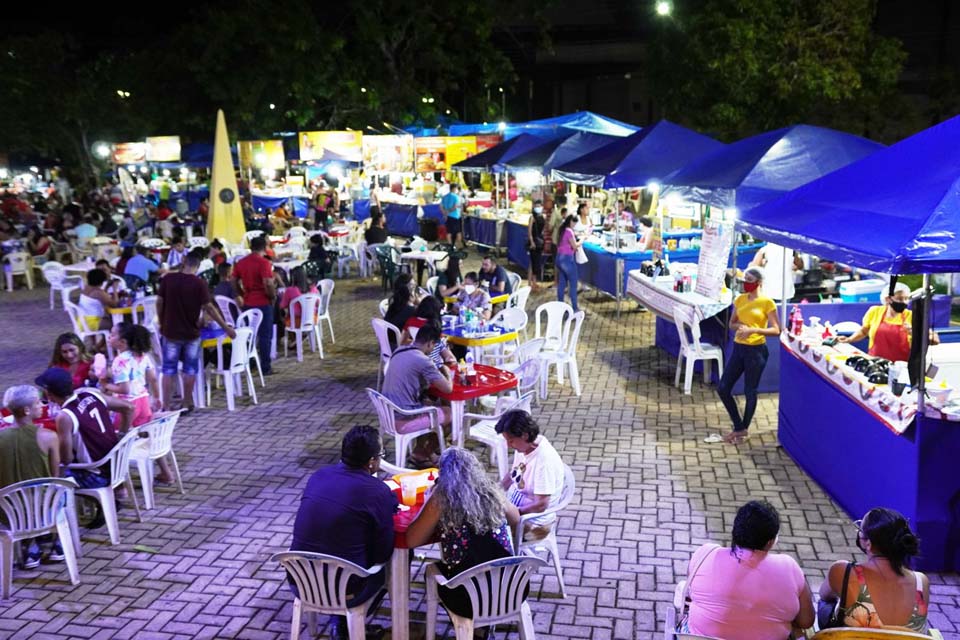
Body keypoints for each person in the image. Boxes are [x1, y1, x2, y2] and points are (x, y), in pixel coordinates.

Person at [290, 425, 396, 640]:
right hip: (346, 587)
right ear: (372, 461)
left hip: (301, 579)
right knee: (390, 564)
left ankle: (339, 624)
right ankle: (347, 623)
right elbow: (383, 553)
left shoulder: (319, 476)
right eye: (381, 455)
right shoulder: (377, 491)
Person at [406, 448, 521, 617]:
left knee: (431, 571)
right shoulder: (492, 492)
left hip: (466, 599)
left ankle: (470, 624)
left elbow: (411, 540)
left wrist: (430, 498)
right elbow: (516, 519)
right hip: (511, 590)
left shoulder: (442, 498)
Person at [683, 500, 814, 640]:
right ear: (770, 542)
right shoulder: (789, 568)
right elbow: (806, 621)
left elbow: (690, 592)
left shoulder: (705, 555)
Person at [818, 507, 929, 633]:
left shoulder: (843, 571)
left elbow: (824, 595)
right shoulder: (921, 582)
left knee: (826, 603)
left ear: (868, 543)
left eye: (860, 530)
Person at [157, 253, 236, 413]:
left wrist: (161, 321)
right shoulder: (199, 283)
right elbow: (209, 308)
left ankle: (166, 406)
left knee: (168, 369)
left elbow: (159, 302)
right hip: (191, 333)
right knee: (190, 370)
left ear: (183, 262)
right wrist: (226, 327)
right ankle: (186, 403)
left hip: (170, 331)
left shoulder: (168, 279)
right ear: (198, 266)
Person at [714, 266, 780, 444]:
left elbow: (776, 330)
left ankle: (743, 430)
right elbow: (732, 323)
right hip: (739, 348)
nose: (745, 284)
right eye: (744, 281)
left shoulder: (767, 303)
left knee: (750, 390)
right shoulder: (740, 299)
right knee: (723, 388)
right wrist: (741, 327)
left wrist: (753, 330)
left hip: (756, 351)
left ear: (759, 283)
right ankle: (739, 427)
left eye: (749, 281)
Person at [37, 368, 132, 491]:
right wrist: (121, 436)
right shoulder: (91, 394)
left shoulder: (65, 416)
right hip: (118, 466)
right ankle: (116, 493)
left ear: (49, 394)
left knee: (48, 473)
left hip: (97, 476)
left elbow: (67, 459)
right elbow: (129, 408)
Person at [0, 385, 62, 568]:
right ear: (27, 410)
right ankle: (56, 541)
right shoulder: (48, 437)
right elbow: (54, 476)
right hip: (44, 511)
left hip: (9, 513)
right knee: (63, 489)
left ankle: (30, 546)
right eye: (37, 403)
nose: (42, 405)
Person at [382, 324, 453, 466]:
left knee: (429, 404)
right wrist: (447, 372)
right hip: (403, 418)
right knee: (451, 415)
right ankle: (423, 453)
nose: (433, 350)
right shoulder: (423, 360)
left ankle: (421, 452)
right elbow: (447, 389)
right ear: (430, 343)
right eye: (434, 346)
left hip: (387, 412)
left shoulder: (400, 350)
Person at [495, 410, 564, 540]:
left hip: (535, 524)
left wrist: (514, 514)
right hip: (514, 509)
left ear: (525, 436)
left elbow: (541, 504)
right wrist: (495, 490)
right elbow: (514, 474)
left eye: (511, 441)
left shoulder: (544, 461)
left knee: (488, 534)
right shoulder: (523, 447)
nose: (508, 445)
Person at [839, 282, 939, 361]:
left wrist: (915, 333)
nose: (904, 302)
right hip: (875, 362)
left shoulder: (912, 316)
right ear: (888, 299)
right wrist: (849, 339)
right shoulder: (875, 311)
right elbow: (864, 331)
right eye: (900, 299)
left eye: (906, 299)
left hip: (901, 367)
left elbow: (934, 340)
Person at [100, 322, 160, 428]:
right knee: (141, 432)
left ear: (122, 342)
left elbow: (124, 390)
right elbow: (153, 379)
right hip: (144, 402)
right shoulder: (143, 355)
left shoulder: (120, 361)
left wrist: (105, 385)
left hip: (127, 405)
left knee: (118, 433)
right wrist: (156, 397)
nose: (109, 337)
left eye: (112, 335)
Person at [233, 236, 277, 376]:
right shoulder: (264, 263)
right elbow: (268, 283)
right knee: (265, 336)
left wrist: (241, 293)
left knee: (249, 334)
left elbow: (233, 281)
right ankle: (265, 367)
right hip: (263, 302)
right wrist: (272, 296)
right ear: (264, 248)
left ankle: (250, 363)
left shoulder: (241, 262)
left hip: (248, 302)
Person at [555, 215, 582, 313]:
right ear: (571, 221)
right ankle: (575, 308)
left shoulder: (562, 230)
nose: (574, 225)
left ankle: (560, 306)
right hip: (567, 259)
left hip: (559, 258)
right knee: (573, 284)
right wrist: (582, 240)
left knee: (562, 283)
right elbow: (574, 246)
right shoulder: (569, 231)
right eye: (574, 223)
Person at [384, 273, 419, 338]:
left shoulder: (394, 304)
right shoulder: (410, 310)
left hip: (388, 339)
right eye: (413, 287)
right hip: (399, 341)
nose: (416, 293)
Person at [528, 201, 546, 291]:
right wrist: (532, 242)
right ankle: (531, 282)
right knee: (533, 262)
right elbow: (529, 231)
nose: (538, 208)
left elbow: (543, 230)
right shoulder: (532, 217)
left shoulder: (542, 217)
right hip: (534, 242)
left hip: (540, 242)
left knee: (536, 262)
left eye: (539, 206)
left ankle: (534, 282)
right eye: (536, 206)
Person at [440, 183, 464, 250]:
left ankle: (450, 247)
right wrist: (449, 212)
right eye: (457, 189)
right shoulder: (456, 197)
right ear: (454, 189)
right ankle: (458, 246)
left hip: (448, 217)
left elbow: (441, 206)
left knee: (449, 232)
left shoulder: (444, 197)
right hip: (456, 216)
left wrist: (445, 214)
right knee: (458, 232)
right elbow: (455, 207)